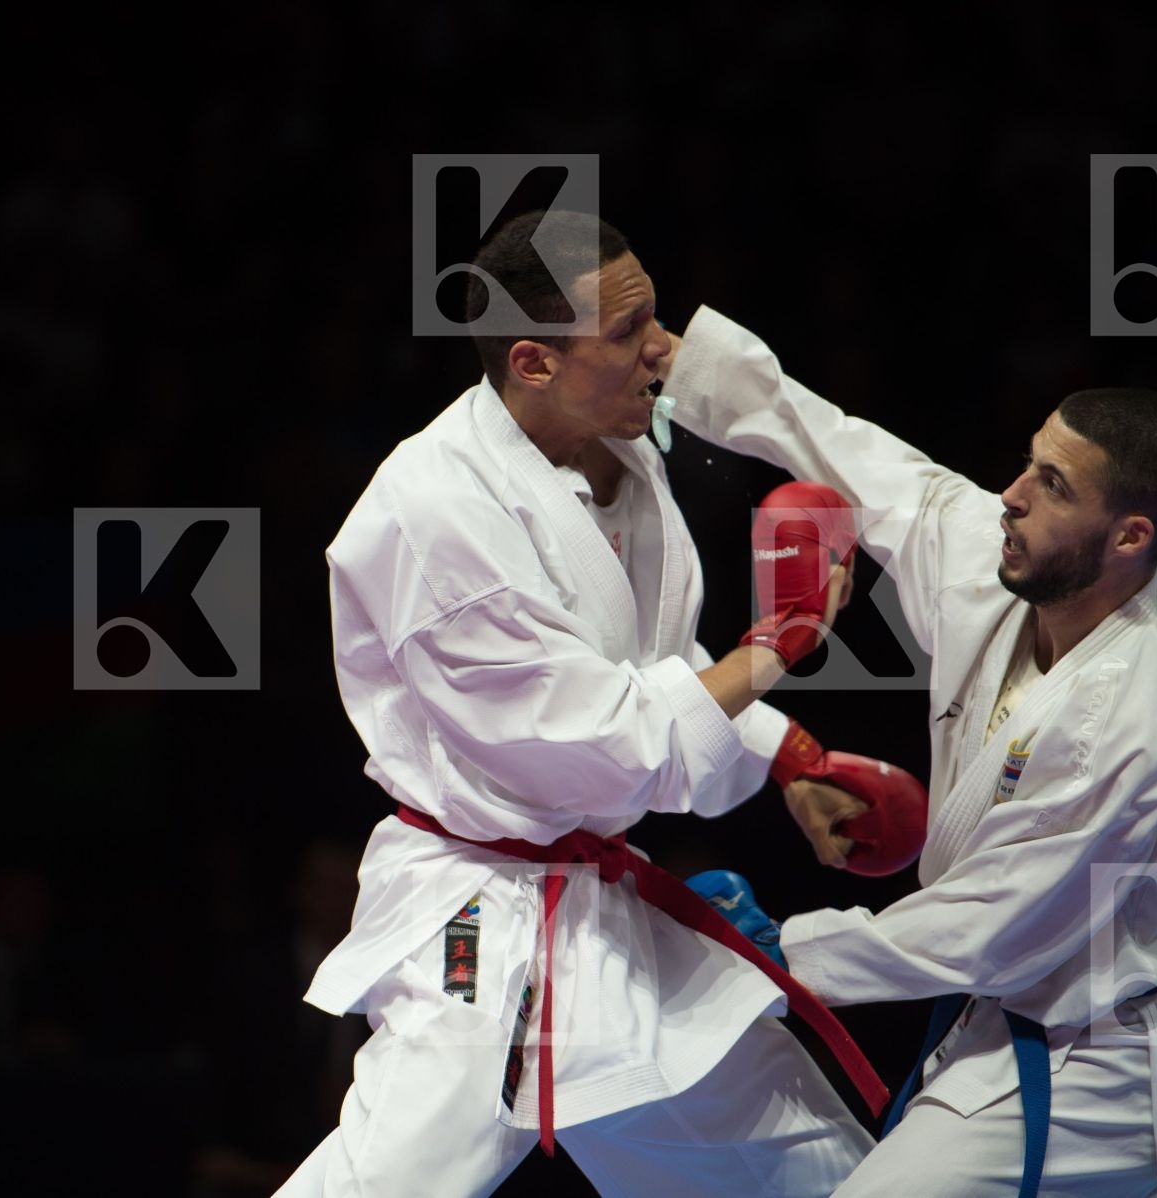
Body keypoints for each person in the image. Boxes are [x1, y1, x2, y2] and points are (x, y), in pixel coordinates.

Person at [277, 211, 909, 1198]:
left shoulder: (620, 449)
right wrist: (778, 646)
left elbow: (655, 664)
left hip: (601, 909)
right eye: (630, 332)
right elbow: (596, 737)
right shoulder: (438, 515)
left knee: (806, 1164)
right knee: (400, 1177)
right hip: (479, 916)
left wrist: (790, 756)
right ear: (531, 360)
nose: (665, 349)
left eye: (657, 316)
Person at [659, 307, 1157, 1197]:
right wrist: (692, 363)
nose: (1011, 495)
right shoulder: (1006, 564)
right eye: (1028, 461)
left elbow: (989, 926)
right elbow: (874, 466)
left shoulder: (1140, 724)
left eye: (1053, 484)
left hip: (1102, 1069)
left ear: (1129, 538)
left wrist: (780, 951)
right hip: (1002, 1023)